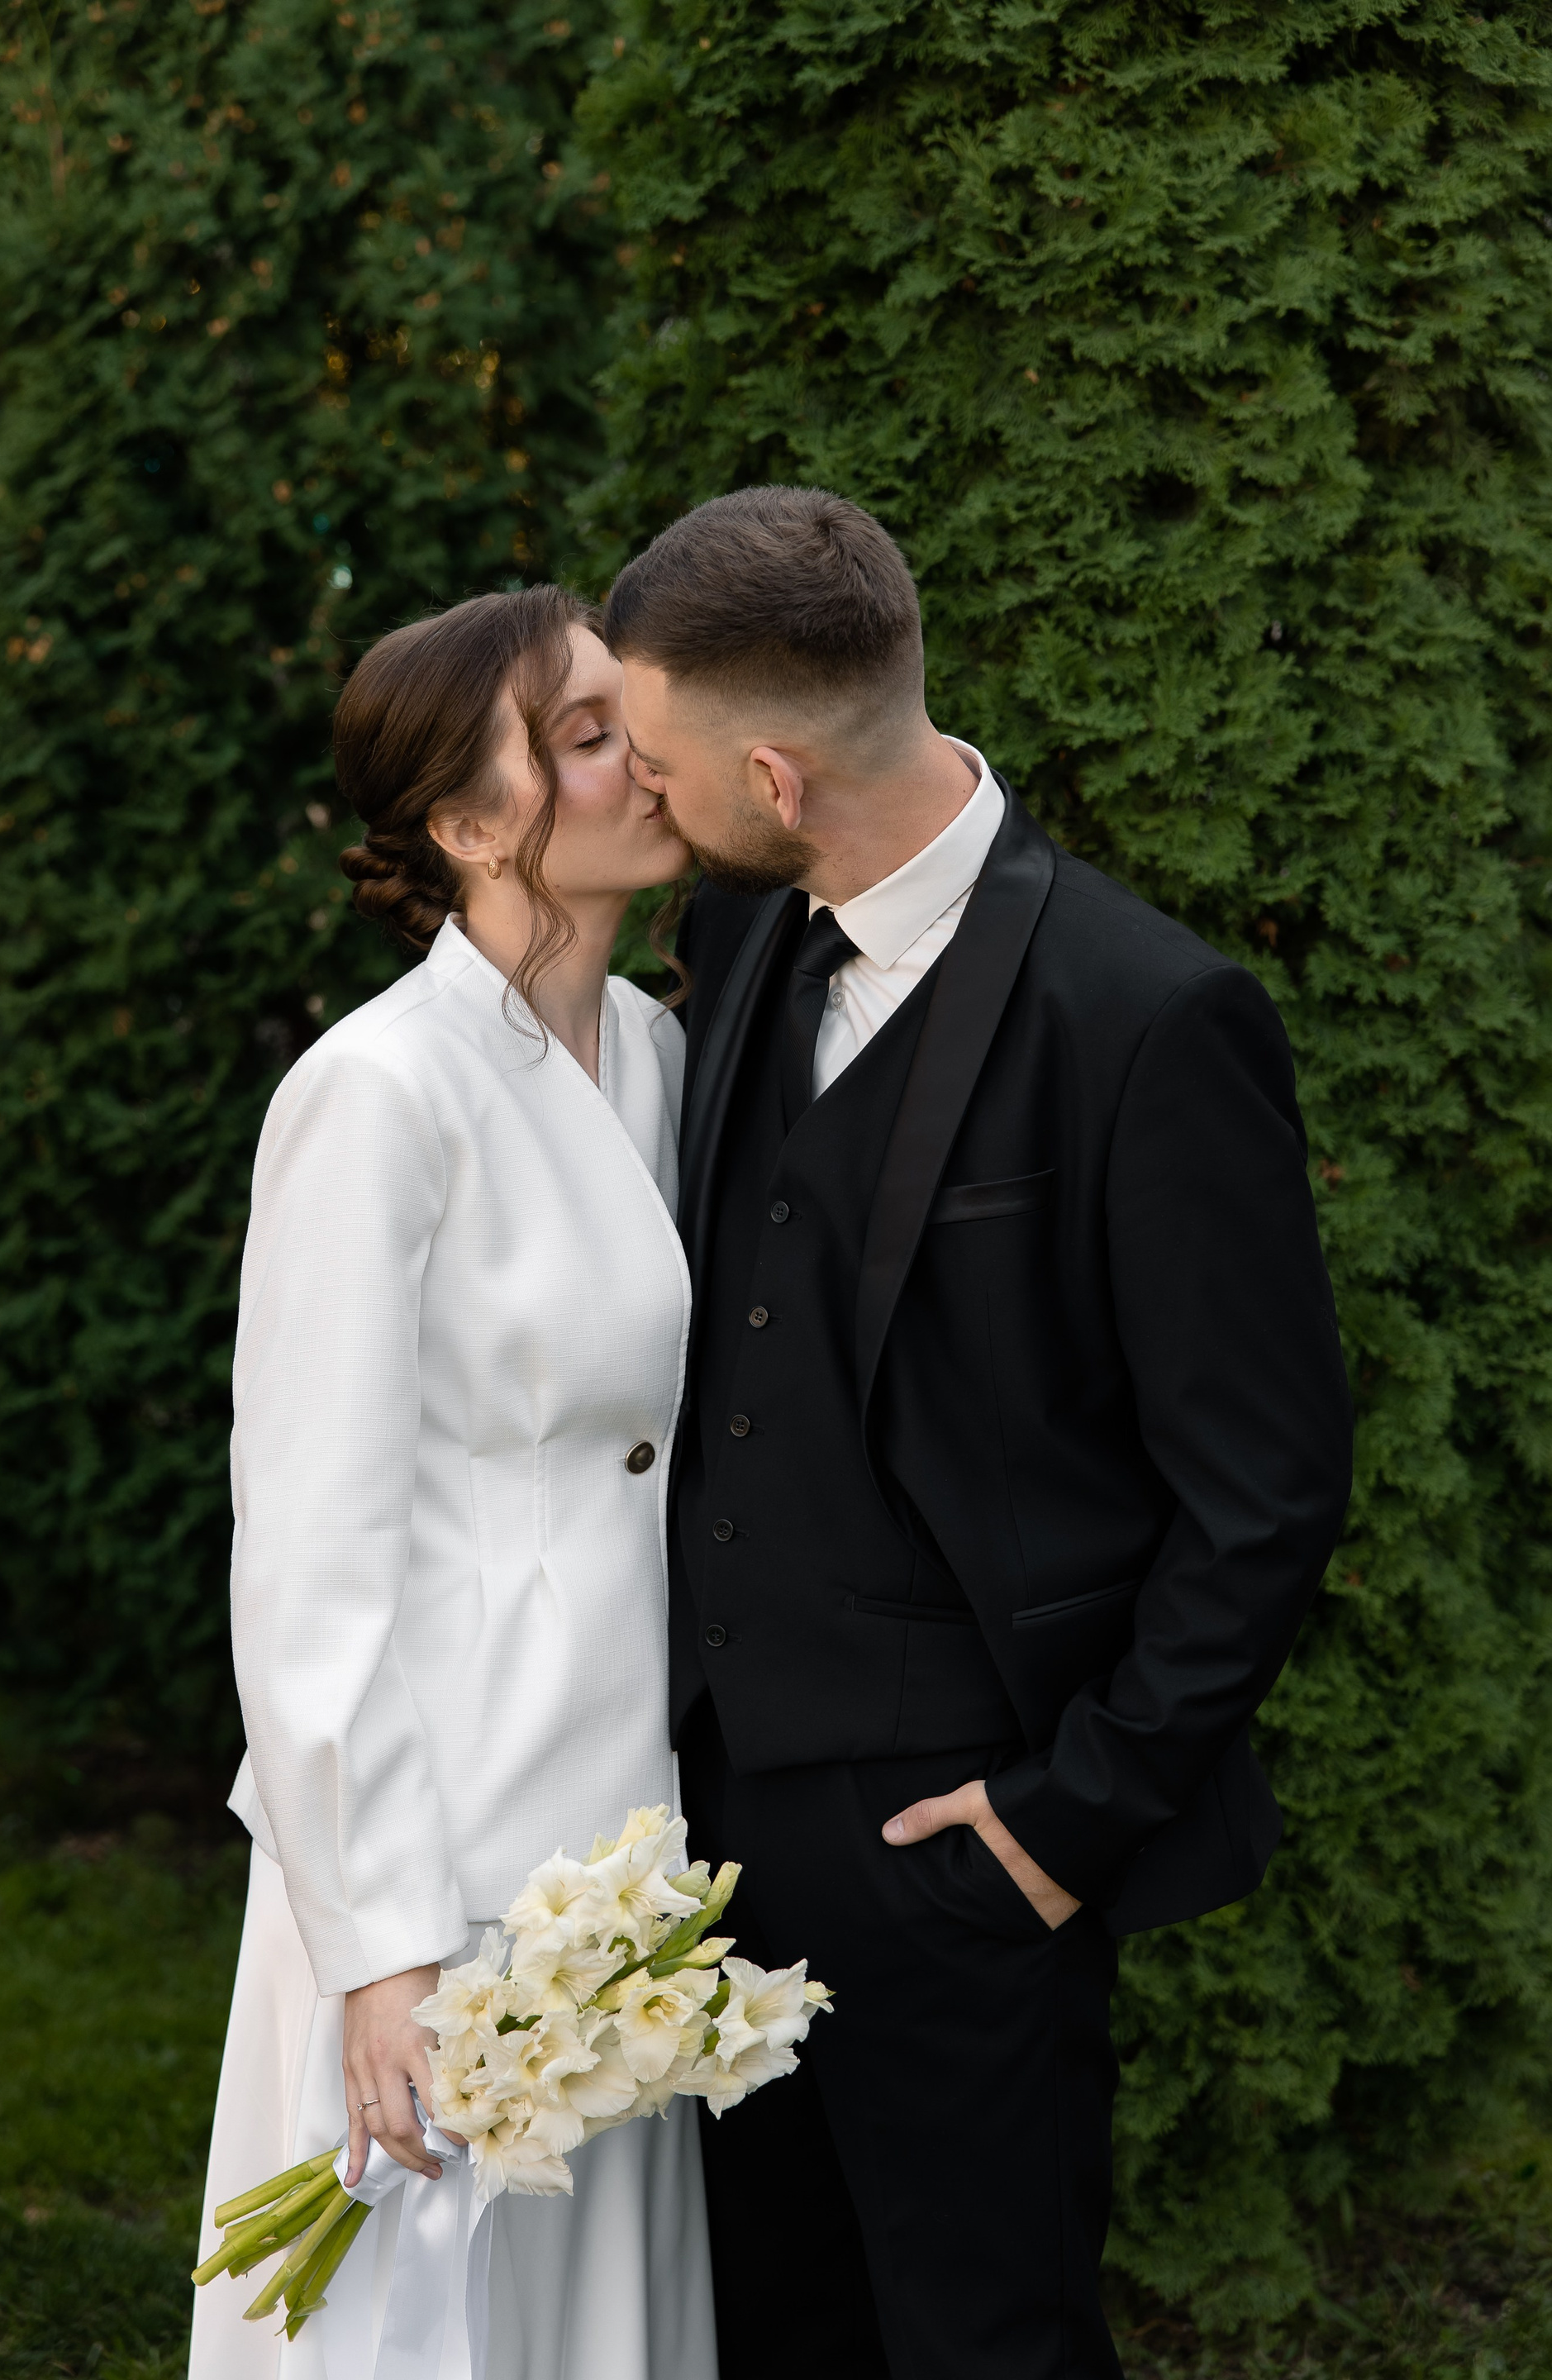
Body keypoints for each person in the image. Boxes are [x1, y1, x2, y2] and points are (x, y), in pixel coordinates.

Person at [606, 487, 1355, 2380]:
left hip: (962, 1842)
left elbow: (1266, 1496)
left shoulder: (1149, 1015)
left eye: (660, 759)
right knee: (768, 2334)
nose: (639, 788)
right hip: (704, 1832)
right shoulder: (744, 934)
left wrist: (1060, 1823)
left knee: (985, 2345)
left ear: (775, 776)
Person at [189, 588, 716, 2380]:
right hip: (441, 1854)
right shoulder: (378, 1094)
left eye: (628, 715)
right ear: (471, 825)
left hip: (626, 1837)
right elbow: (308, 1563)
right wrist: (381, 1951)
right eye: (583, 736)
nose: (642, 758)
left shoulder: (659, 1055)